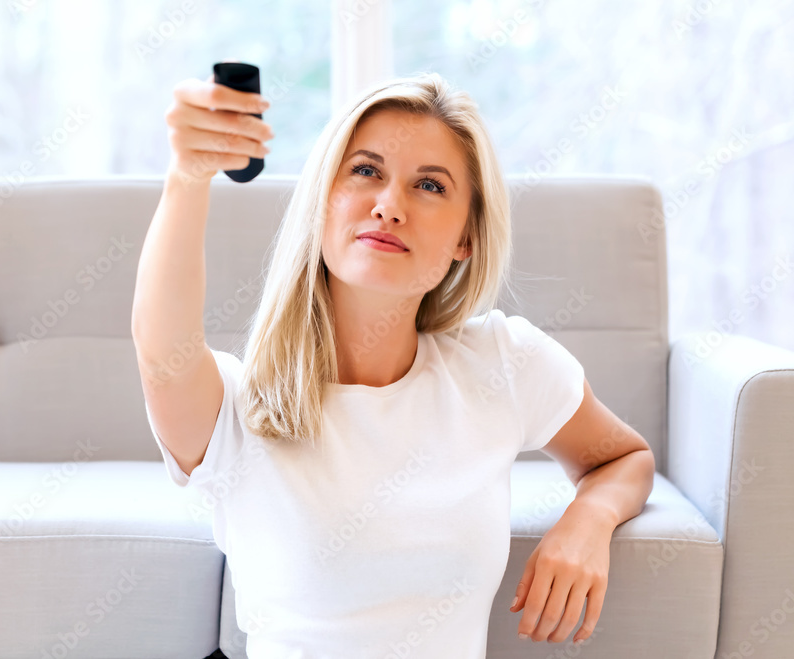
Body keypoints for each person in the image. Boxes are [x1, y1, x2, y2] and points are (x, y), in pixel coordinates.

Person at [133, 71, 588, 659]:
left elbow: (623, 459)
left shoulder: (504, 363)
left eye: (429, 185)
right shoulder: (236, 408)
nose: (389, 206)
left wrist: (588, 522)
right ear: (324, 202)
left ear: (466, 238)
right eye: (367, 171)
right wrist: (189, 175)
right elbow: (160, 350)